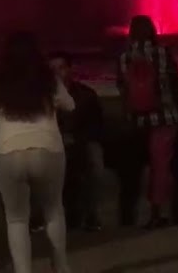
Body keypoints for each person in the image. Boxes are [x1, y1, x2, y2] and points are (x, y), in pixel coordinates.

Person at [0, 32, 75, 273]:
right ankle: (61, 265)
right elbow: (70, 104)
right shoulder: (47, 79)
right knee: (53, 209)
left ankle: (23, 270)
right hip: (47, 148)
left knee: (16, 218)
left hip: (8, 151)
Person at [116, 15, 178, 228]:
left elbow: (122, 88)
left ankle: (129, 213)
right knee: (161, 164)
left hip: (136, 119)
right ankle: (158, 212)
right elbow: (176, 86)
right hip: (164, 116)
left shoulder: (124, 58)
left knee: (137, 167)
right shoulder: (163, 53)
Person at [49, 51, 105, 232]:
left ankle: (91, 214)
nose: (58, 73)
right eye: (53, 69)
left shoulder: (86, 95)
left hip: (81, 141)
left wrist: (76, 138)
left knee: (93, 162)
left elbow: (96, 126)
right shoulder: (43, 96)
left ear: (70, 69)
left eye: (61, 68)